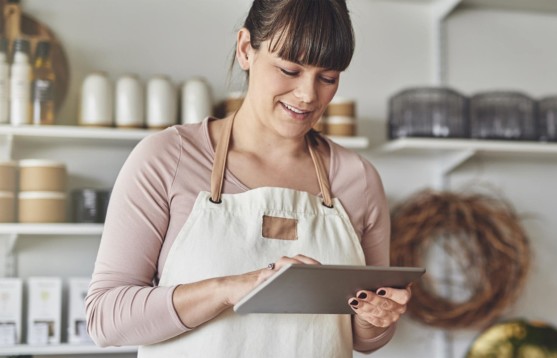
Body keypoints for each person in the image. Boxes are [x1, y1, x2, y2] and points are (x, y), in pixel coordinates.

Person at [84, 0, 412, 356]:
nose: (308, 95)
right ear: (245, 49)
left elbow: (365, 339)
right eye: (289, 70)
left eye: (328, 78)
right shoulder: (168, 158)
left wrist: (375, 318)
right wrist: (230, 289)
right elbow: (105, 318)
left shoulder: (357, 179)